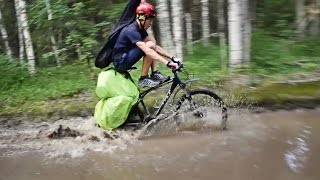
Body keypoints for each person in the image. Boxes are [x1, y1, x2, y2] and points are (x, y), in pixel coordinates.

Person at [112, 1, 181, 88]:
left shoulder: (140, 30)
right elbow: (148, 50)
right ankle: (143, 79)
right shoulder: (131, 30)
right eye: (150, 20)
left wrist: (172, 58)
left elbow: (156, 48)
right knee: (149, 46)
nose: (151, 23)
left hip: (126, 56)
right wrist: (167, 63)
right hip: (120, 62)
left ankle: (154, 73)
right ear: (142, 17)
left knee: (151, 39)